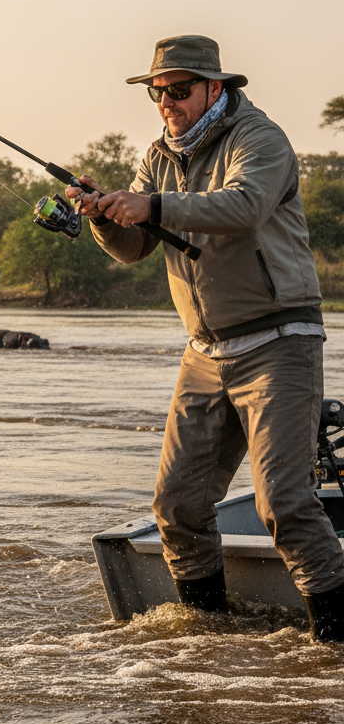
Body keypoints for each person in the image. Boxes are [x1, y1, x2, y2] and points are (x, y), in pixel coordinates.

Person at [69, 34, 344, 642]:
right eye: (158, 92)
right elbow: (136, 247)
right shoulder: (157, 154)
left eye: (179, 89)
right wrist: (103, 219)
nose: (167, 102)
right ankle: (204, 647)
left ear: (215, 87)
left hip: (280, 341)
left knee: (286, 506)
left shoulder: (260, 139)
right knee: (177, 507)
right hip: (206, 351)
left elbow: (243, 207)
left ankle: (335, 643)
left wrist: (152, 205)